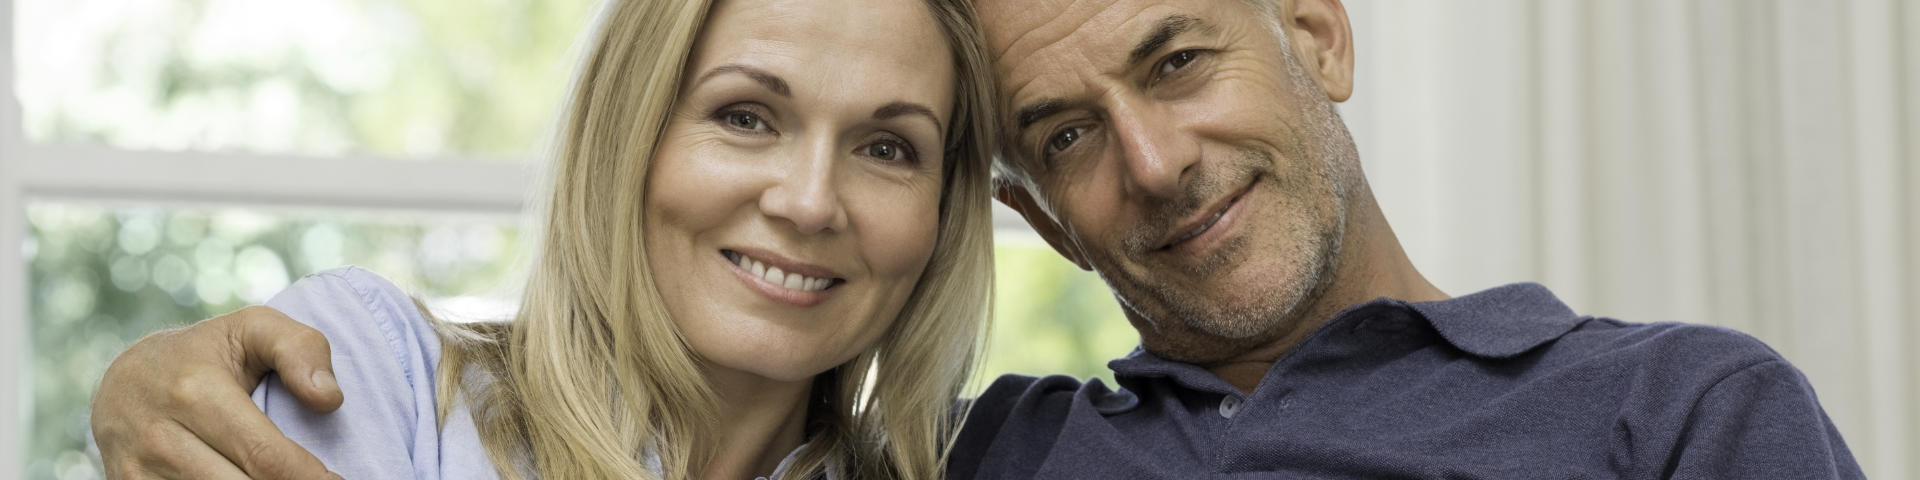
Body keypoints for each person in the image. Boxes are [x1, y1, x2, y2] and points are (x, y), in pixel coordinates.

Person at [94, 0, 1867, 478]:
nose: (1157, 164)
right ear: (1017, 209)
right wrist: (142, 380)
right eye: (1067, 136)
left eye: (1181, 61)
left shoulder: (1676, 413)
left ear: (1316, 35)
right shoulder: (998, 454)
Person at [87, 0, 1000, 478]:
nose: (809, 202)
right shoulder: (369, 373)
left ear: (942, 214)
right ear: (628, 135)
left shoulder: (990, 463)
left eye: (888, 147)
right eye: (747, 116)